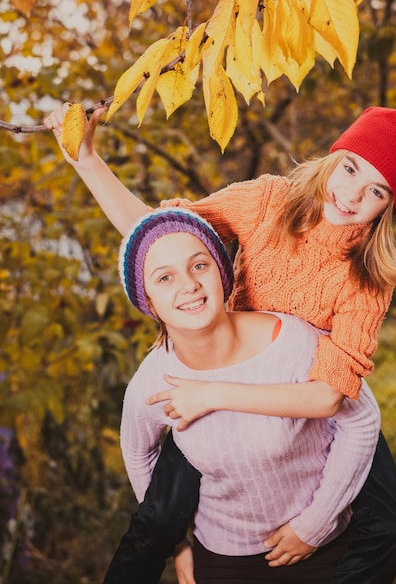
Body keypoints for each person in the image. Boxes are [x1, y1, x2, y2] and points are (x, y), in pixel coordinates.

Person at [45, 105, 396, 583]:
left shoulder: (368, 275)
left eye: (376, 191)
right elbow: (160, 238)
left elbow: (328, 396)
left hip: (307, 394)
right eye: (349, 169)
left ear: (388, 205)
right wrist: (87, 161)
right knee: (158, 519)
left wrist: (213, 397)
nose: (350, 195)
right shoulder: (266, 201)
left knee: (390, 525)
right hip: (227, 360)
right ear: (334, 157)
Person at [118, 206, 381, 584]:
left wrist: (315, 525)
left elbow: (361, 422)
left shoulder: (293, 341)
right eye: (164, 278)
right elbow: (137, 451)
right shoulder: (152, 383)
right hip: (224, 560)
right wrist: (176, 543)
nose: (189, 285)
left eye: (199, 266)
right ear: (148, 302)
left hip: (324, 550)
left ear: (221, 273)